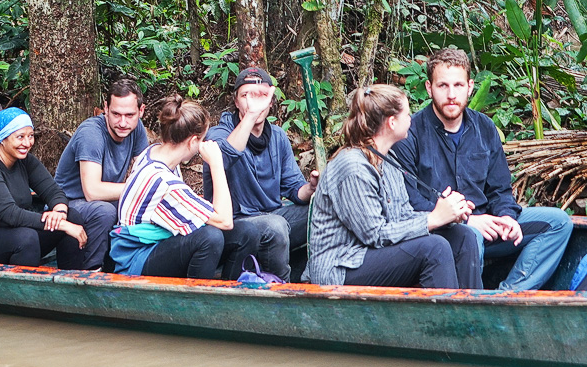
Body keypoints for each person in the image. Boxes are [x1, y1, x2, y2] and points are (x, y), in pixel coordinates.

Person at [393, 47, 572, 291]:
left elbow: (500, 189)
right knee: (469, 236)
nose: (451, 94)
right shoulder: (410, 132)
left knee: (559, 222)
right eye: (442, 86)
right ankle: (478, 307)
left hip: (489, 225)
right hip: (445, 233)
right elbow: (409, 201)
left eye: (458, 85)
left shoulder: (485, 127)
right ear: (428, 88)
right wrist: (467, 220)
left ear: (470, 87)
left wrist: (507, 217)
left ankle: (507, 296)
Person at [303, 84, 482, 289]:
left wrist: (446, 216)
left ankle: (472, 315)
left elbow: (402, 216)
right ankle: (443, 320)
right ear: (392, 122)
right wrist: (432, 219)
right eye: (407, 113)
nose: (411, 119)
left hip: (372, 254)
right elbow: (374, 235)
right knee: (434, 248)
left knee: (462, 236)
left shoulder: (389, 158)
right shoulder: (352, 166)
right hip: (340, 266)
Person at [202, 67, 318, 281]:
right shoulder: (219, 133)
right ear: (236, 102)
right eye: (246, 96)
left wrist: (311, 188)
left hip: (275, 213)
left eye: (261, 96)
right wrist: (251, 115)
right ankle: (282, 290)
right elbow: (224, 157)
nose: (253, 103)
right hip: (236, 223)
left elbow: (294, 190)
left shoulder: (278, 136)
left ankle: (314, 278)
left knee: (325, 208)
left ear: (271, 102)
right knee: (275, 226)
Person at [0, 108, 90, 268]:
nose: (27, 143)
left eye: (30, 136)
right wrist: (63, 225)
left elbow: (53, 191)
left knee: (72, 217)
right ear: (1, 139)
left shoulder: (24, 160)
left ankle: (69, 285)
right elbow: (10, 214)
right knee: (26, 237)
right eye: (20, 137)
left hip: (10, 235)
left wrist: (60, 213)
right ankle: (23, 292)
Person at [110, 95, 230, 279]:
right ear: (192, 141)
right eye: (201, 140)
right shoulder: (165, 183)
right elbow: (225, 221)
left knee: (244, 234)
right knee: (210, 238)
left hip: (150, 243)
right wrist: (216, 164)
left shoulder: (153, 152)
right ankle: (196, 302)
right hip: (135, 259)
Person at [53, 78, 151, 269]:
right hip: (69, 204)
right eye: (116, 114)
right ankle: (93, 270)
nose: (123, 122)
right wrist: (141, 188)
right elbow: (93, 191)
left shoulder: (136, 128)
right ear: (105, 108)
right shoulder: (91, 134)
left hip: (105, 200)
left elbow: (145, 172)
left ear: (141, 111)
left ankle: (132, 265)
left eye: (129, 115)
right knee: (105, 210)